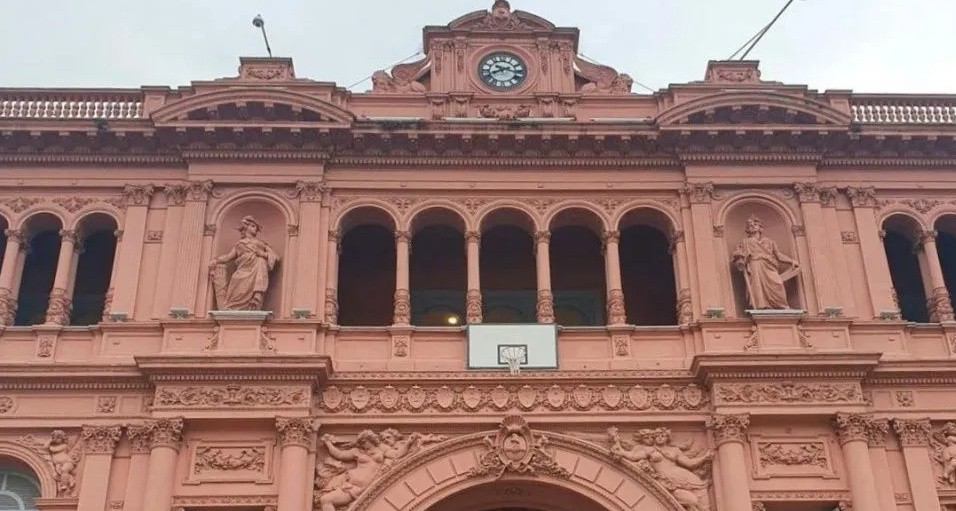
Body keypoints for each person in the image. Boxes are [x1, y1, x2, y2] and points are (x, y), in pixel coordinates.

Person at [209, 215, 278, 310]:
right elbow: (229, 257)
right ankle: (232, 308)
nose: (255, 229)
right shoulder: (240, 244)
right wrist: (216, 260)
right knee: (236, 286)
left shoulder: (260, 244)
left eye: (256, 227)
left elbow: (275, 257)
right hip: (242, 271)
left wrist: (261, 253)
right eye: (253, 226)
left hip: (255, 271)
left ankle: (254, 300)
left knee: (261, 262)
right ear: (246, 228)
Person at [733, 215, 799, 309]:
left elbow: (779, 255)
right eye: (749, 225)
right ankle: (762, 306)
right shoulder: (745, 242)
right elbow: (739, 255)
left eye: (755, 224)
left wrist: (791, 261)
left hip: (769, 266)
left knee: (777, 283)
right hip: (755, 265)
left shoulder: (769, 242)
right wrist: (739, 256)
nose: (752, 226)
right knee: (757, 287)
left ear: (761, 228)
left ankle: (782, 305)